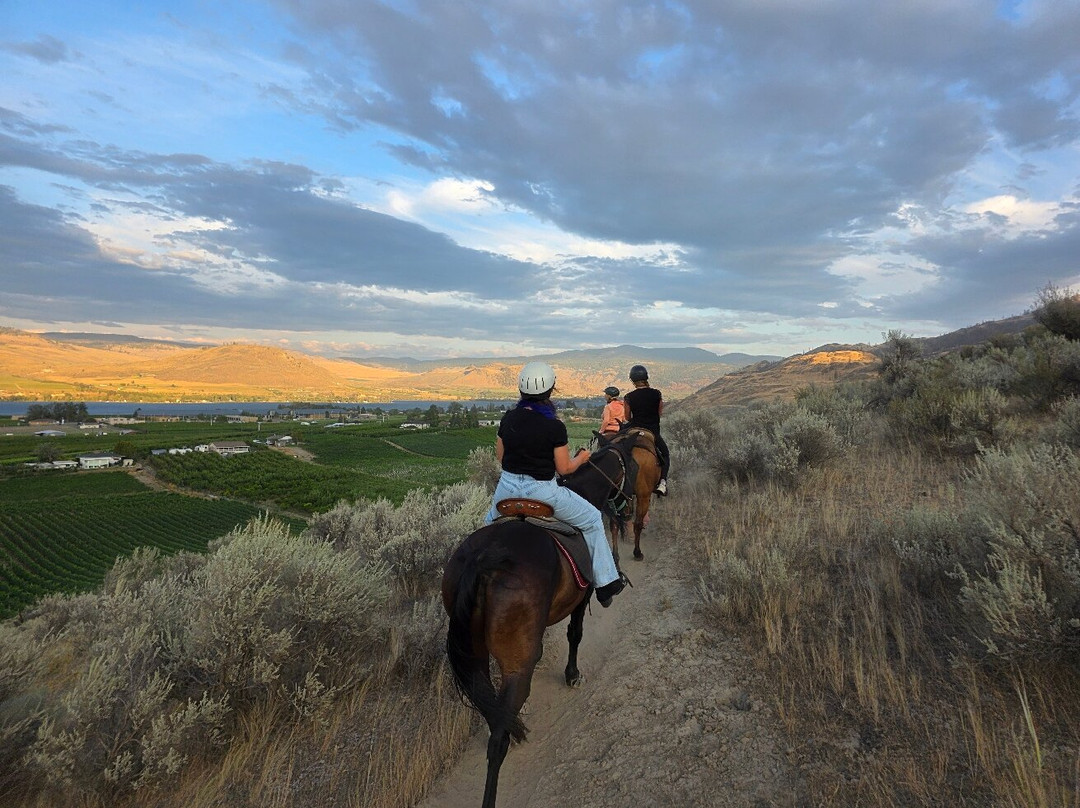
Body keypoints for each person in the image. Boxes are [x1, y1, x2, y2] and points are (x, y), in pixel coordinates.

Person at [484, 361, 626, 606]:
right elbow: (564, 469)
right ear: (550, 392)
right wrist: (582, 458)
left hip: (505, 491)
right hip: (542, 493)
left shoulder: (508, 419)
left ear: (521, 391)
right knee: (592, 519)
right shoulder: (554, 426)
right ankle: (606, 583)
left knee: (485, 529)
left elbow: (500, 457)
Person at [622, 364, 670, 495]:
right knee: (665, 454)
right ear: (646, 377)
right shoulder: (656, 394)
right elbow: (659, 413)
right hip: (652, 431)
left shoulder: (628, 396)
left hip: (634, 429)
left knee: (617, 445)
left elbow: (627, 417)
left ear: (632, 380)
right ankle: (662, 483)